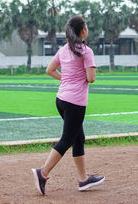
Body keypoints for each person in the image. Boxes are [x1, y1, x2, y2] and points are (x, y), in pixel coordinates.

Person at [31, 16, 105, 195]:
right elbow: (91, 78)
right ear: (83, 31)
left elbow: (50, 70)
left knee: (78, 138)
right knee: (67, 139)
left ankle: (83, 179)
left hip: (61, 100)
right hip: (75, 102)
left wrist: (67, 78)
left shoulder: (63, 50)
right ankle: (43, 173)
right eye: (86, 27)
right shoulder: (86, 51)